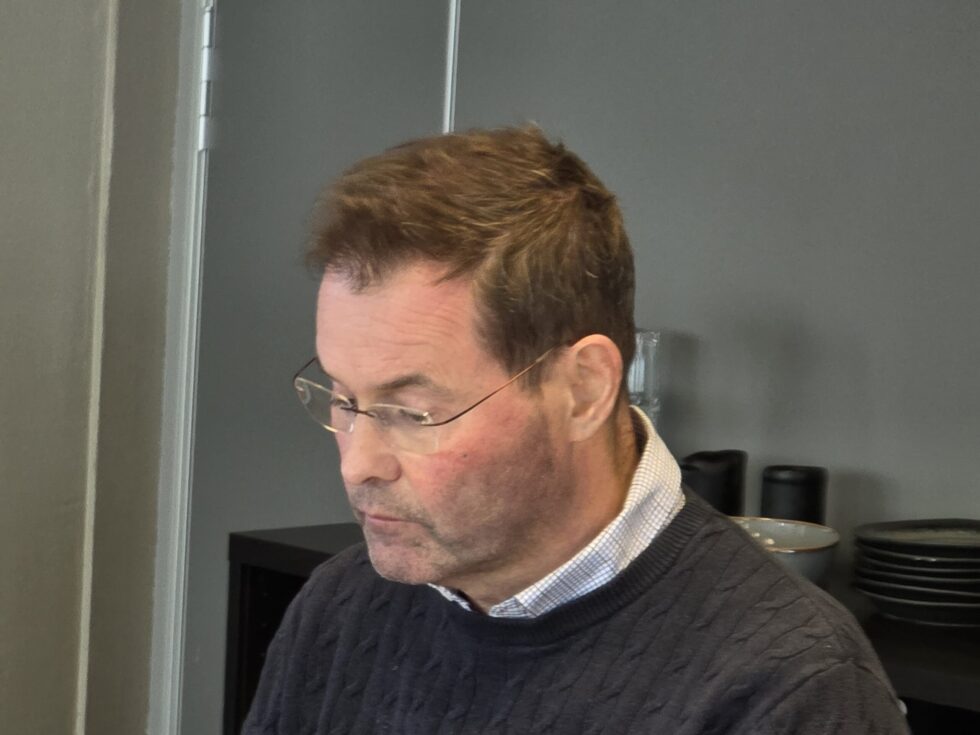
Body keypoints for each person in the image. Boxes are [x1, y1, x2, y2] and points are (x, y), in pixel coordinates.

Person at [244, 126, 909, 734]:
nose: (357, 464)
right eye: (343, 398)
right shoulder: (343, 607)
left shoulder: (790, 688)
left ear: (582, 390)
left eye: (410, 412)